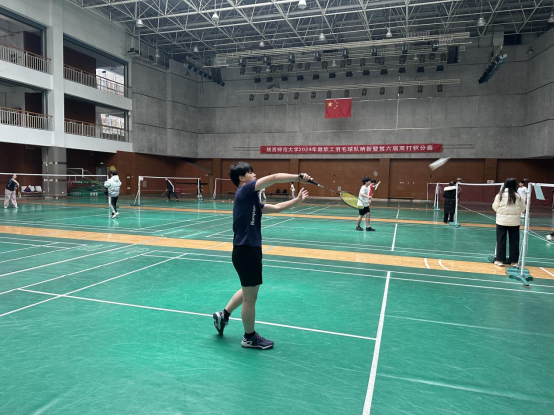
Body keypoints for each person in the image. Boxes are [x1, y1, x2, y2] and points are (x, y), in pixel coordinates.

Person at [213, 163, 312, 350]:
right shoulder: (245, 190)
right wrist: (298, 177)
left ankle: (223, 315)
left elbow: (278, 207)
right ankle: (249, 337)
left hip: (248, 250)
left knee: (249, 290)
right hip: (246, 250)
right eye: (250, 172)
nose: (254, 174)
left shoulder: (251, 201)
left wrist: (297, 200)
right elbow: (273, 178)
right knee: (250, 298)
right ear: (242, 178)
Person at [492, 178, 526, 267]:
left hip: (501, 222)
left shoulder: (500, 195)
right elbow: (523, 209)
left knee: (501, 240)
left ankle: (500, 260)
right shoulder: (518, 196)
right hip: (514, 222)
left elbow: (495, 207)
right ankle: (514, 262)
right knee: (514, 242)